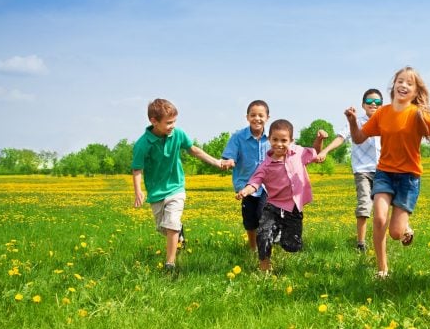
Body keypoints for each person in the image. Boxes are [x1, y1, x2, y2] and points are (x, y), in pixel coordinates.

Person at [345, 66, 430, 278]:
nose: (403, 85)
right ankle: (382, 269)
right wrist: (353, 121)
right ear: (394, 85)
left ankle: (405, 228)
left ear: (417, 91)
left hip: (409, 178)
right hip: (384, 173)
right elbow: (358, 138)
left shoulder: (418, 115)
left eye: (409, 83)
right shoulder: (382, 113)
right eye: (400, 81)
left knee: (395, 233)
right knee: (380, 218)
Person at [132, 98, 234, 273]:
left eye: (174, 121)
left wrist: (216, 163)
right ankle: (179, 233)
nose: (173, 125)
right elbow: (137, 169)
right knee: (163, 227)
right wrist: (138, 190)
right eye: (168, 122)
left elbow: (194, 150)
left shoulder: (178, 134)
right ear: (153, 121)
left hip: (176, 187)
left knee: (171, 223)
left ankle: (170, 264)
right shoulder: (143, 144)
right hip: (156, 191)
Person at [235, 119, 326, 272]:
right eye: (275, 139)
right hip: (273, 206)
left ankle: (280, 236)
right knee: (263, 233)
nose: (279, 144)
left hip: (294, 207)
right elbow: (255, 182)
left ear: (291, 141)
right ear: (269, 139)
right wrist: (246, 191)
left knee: (292, 246)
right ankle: (264, 267)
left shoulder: (298, 152)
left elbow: (315, 153)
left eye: (284, 140)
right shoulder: (265, 165)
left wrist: (319, 139)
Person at [317, 88, 383, 252]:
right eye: (369, 102)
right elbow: (341, 137)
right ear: (363, 105)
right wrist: (325, 151)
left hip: (384, 170)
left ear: (382, 105)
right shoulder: (356, 122)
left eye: (377, 102)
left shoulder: (386, 121)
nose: (373, 104)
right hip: (362, 171)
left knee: (384, 206)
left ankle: (381, 242)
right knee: (364, 204)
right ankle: (361, 244)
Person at [222, 100, 270, 253]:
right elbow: (229, 156)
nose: (257, 118)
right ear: (247, 117)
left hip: (267, 186)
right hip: (245, 186)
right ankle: (252, 247)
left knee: (262, 215)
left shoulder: (271, 138)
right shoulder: (238, 137)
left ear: (267, 118)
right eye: (253, 115)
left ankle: (265, 246)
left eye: (261, 115)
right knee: (250, 219)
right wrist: (229, 161)